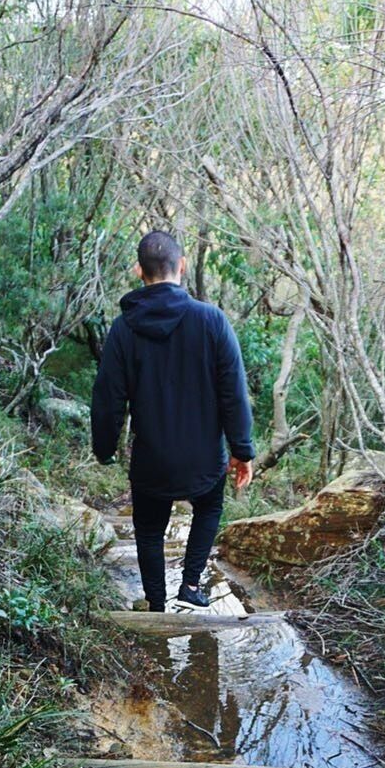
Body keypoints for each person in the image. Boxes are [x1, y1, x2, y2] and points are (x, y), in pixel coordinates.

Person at [91, 229, 255, 612]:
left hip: (152, 459)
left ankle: (155, 601)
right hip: (205, 458)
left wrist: (104, 448)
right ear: (182, 266)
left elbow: (107, 398)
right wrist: (242, 450)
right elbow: (234, 391)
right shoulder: (212, 320)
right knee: (209, 507)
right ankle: (192, 585)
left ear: (138, 271)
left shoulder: (124, 329)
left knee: (149, 529)